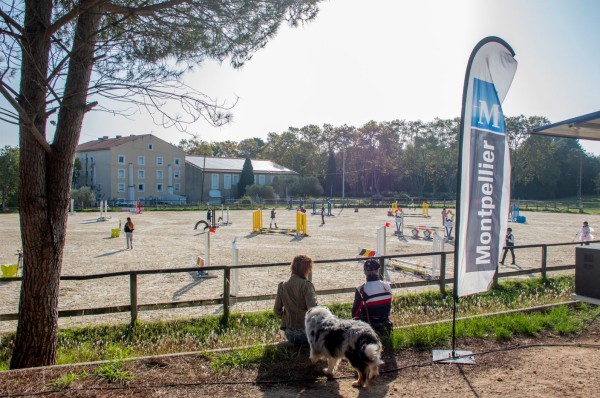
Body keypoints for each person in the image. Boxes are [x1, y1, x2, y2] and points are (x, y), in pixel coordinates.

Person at [274, 254, 317, 344]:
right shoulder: (306, 286)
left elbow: (276, 311)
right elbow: (313, 311)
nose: (309, 271)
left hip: (289, 333)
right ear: (305, 269)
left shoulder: (282, 287)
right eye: (309, 268)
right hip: (305, 334)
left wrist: (287, 317)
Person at [351, 259, 393, 336]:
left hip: (368, 328)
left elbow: (355, 313)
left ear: (364, 272)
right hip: (385, 323)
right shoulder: (386, 286)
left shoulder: (361, 289)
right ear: (378, 270)